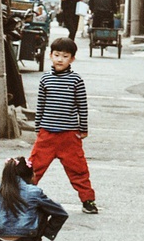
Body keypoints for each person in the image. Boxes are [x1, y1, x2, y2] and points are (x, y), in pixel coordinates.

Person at [28, 39, 99, 214]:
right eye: (57, 55)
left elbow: (82, 106)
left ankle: (88, 200)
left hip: (69, 135)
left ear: (72, 59)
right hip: (47, 135)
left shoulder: (76, 80)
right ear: (50, 55)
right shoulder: (45, 79)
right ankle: (22, 198)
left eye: (65, 56)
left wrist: (83, 128)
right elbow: (41, 105)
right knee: (34, 167)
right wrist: (38, 128)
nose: (60, 59)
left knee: (78, 169)